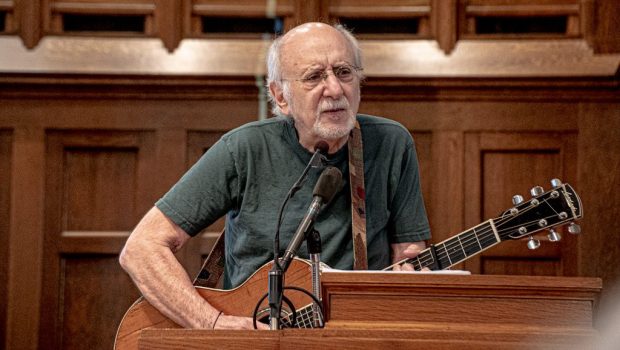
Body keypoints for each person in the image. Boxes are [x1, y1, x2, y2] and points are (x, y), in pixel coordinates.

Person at [119, 22, 431, 330]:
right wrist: (213, 322)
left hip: (352, 333)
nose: (335, 89)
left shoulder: (391, 143)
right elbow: (142, 248)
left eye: (344, 72)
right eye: (314, 77)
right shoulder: (243, 149)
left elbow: (408, 255)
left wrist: (415, 274)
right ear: (280, 95)